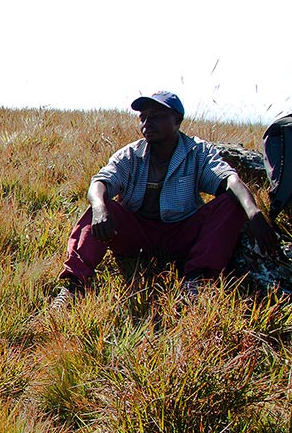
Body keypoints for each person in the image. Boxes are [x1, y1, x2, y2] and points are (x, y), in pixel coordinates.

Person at [52, 91, 278, 307]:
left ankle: (196, 280)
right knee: (99, 208)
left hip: (181, 233)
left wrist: (254, 213)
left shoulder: (197, 152)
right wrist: (100, 207)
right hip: (136, 236)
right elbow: (100, 182)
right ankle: (73, 285)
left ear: (177, 120)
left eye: (156, 116)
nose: (147, 123)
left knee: (231, 203)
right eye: (143, 118)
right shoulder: (130, 155)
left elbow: (230, 180)